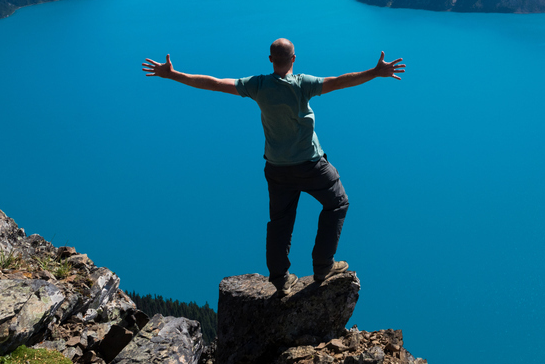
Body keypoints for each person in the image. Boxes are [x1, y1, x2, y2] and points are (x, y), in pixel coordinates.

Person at [141, 38, 404, 294]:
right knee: (337, 203)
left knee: (280, 222)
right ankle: (323, 266)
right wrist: (375, 72)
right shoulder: (303, 84)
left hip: (277, 169)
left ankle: (280, 279)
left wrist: (173, 75)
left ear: (270, 60)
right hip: (311, 166)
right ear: (293, 59)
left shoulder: (258, 85)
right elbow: (338, 82)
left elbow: (215, 84)